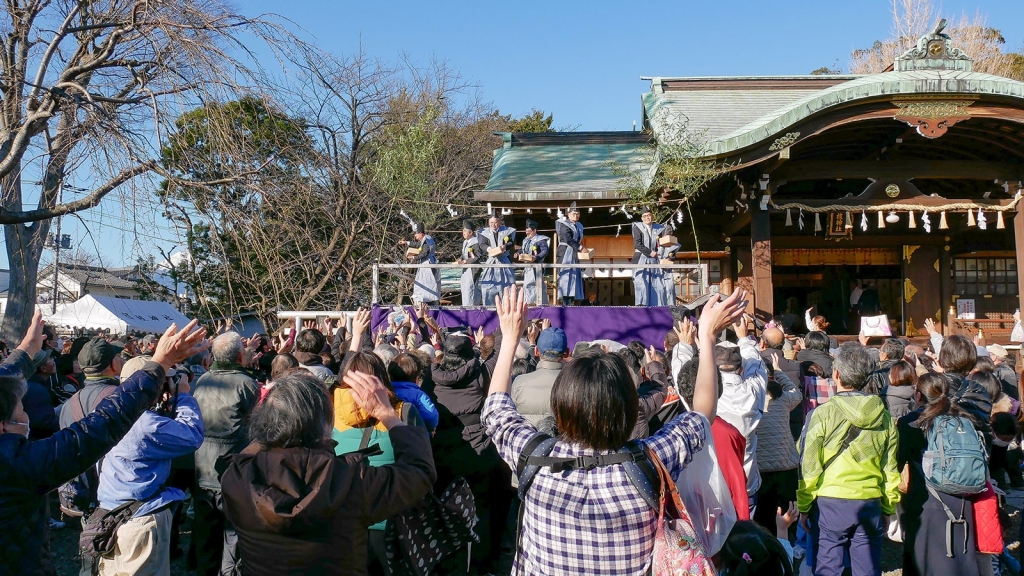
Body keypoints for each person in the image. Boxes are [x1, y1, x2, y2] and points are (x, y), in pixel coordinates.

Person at [482, 285, 746, 575]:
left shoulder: (535, 457)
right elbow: (702, 415)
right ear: (629, 406)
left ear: (561, 403)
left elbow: (496, 411)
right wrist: (706, 337)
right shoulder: (651, 459)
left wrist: (510, 338)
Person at [0, 312, 208, 576]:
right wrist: (161, 364)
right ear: (3, 427)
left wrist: (24, 352)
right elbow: (104, 424)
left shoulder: (71, 402)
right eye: (21, 412)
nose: (26, 416)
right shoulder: (18, 464)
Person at [221, 369, 436, 576]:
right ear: (324, 423)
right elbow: (419, 472)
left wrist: (272, 425)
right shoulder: (352, 480)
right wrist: (387, 414)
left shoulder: (238, 476)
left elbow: (250, 451)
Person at [797, 342, 900, 576]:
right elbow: (890, 469)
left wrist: (804, 505)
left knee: (828, 567)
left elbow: (809, 465)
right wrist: (887, 507)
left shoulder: (821, 414)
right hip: (870, 499)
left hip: (830, 501)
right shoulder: (884, 417)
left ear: (836, 374)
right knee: (867, 568)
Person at [92, 360, 204, 575]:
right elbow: (191, 436)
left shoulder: (110, 409)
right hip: (141, 519)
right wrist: (183, 396)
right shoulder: (146, 424)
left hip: (111, 510)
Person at [333, 352, 428, 574]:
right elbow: (421, 460)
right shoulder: (402, 412)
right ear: (381, 378)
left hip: (343, 520)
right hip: (393, 518)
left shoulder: (328, 411)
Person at [674, 315, 767, 516]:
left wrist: (685, 345)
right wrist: (744, 338)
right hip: (745, 484)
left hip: (707, 488)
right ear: (741, 369)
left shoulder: (698, 398)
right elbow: (758, 368)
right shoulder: (753, 394)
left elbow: (681, 374)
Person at [191, 331, 260, 576]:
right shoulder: (246, 384)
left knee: (205, 527)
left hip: (202, 463)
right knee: (232, 531)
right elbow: (254, 424)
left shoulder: (202, 380)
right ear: (240, 356)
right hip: (233, 463)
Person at [898, 373, 981, 575]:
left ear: (918, 395)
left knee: (923, 561)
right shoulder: (965, 418)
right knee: (958, 558)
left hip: (925, 498)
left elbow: (898, 460)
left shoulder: (912, 422)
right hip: (963, 498)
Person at [675, 352, 751, 521]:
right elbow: (736, 486)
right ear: (718, 390)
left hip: (685, 520)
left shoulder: (671, 432)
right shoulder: (729, 433)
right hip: (723, 519)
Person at [754, 356, 803, 533]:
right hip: (786, 465)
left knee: (763, 518)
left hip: (761, 468)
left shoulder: (749, 400)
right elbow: (796, 392)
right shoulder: (783, 398)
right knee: (788, 515)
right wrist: (778, 371)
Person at [510, 327, 567, 432]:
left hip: (528, 440)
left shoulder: (519, 382)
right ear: (567, 353)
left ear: (536, 351)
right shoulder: (575, 384)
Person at [387, 352, 439, 432]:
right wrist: (430, 428)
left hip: (389, 433)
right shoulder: (418, 395)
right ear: (417, 378)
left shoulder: (386, 392)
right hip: (414, 434)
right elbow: (431, 416)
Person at [477, 214, 516, 306]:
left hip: (504, 260)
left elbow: (511, 242)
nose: (493, 225)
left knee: (508, 283)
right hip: (491, 261)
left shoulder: (506, 231)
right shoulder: (484, 232)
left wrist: (504, 247)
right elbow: (482, 244)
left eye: (495, 222)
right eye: (491, 222)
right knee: (488, 285)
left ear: (499, 222)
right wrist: (489, 249)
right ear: (488, 223)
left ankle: (508, 305)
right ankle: (489, 306)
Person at [630, 206, 665, 307]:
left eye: (648, 215)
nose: (647, 218)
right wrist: (650, 252)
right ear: (642, 218)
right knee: (641, 283)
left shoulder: (659, 228)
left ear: (652, 216)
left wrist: (660, 253)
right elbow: (638, 244)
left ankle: (656, 307)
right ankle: (641, 306)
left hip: (654, 259)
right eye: (644, 216)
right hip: (641, 258)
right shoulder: (637, 227)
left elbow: (662, 243)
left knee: (657, 283)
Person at [403, 221, 440, 305]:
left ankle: (430, 301)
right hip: (426, 263)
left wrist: (414, 257)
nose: (415, 236)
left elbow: (424, 253)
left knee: (428, 282)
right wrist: (406, 242)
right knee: (422, 282)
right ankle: (423, 300)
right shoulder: (425, 240)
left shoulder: (427, 240)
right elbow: (418, 244)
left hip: (428, 264)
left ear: (420, 233)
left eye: (416, 234)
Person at [555, 202, 584, 306]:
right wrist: (580, 247)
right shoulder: (564, 224)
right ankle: (565, 302)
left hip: (574, 253)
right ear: (568, 214)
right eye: (573, 214)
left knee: (575, 277)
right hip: (565, 253)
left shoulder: (579, 226)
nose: (576, 216)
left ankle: (573, 301)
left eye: (577, 214)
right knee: (566, 276)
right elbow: (568, 239)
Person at [517, 219, 550, 305]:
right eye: (526, 232)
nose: (527, 234)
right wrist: (518, 253)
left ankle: (541, 303)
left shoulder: (540, 240)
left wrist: (536, 257)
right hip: (528, 266)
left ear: (534, 230)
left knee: (538, 284)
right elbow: (522, 249)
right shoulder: (526, 240)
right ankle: (529, 302)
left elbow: (545, 251)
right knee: (527, 285)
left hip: (537, 266)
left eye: (529, 232)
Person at [457, 219, 482, 306]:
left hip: (473, 268)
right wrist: (460, 259)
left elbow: (477, 256)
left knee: (470, 288)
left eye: (465, 231)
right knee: (464, 288)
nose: (463, 233)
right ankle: (466, 306)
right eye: (463, 231)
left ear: (471, 233)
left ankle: (471, 307)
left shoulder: (476, 242)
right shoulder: (465, 242)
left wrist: (466, 261)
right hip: (465, 268)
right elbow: (463, 254)